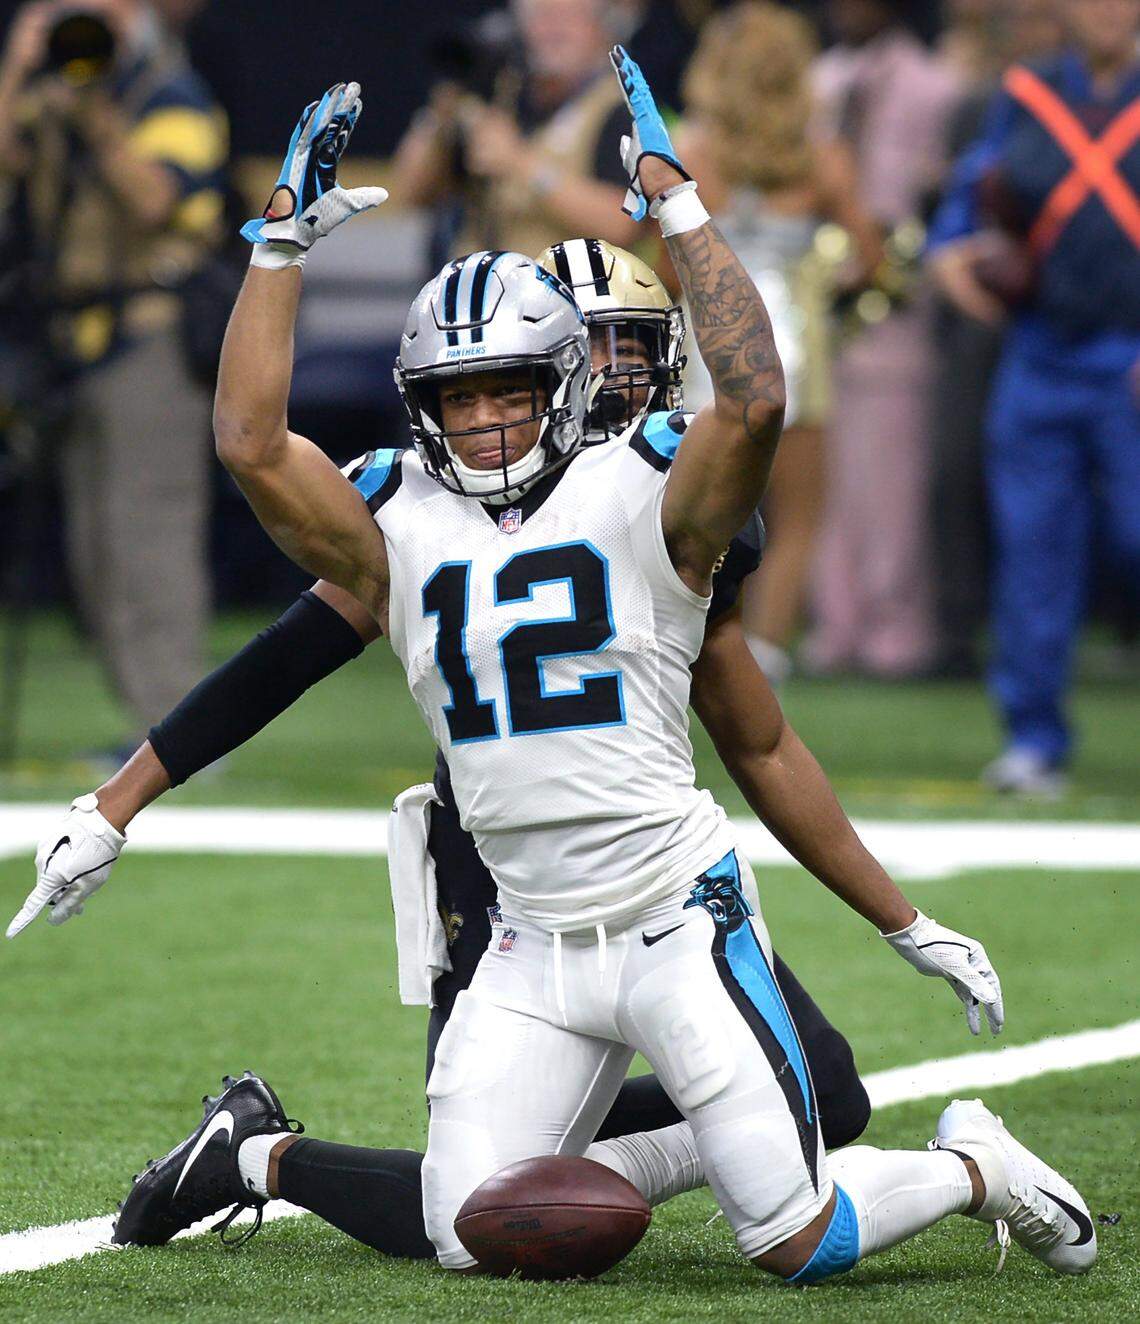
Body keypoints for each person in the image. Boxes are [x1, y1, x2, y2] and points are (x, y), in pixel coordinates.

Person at [13, 57, 1095, 1284]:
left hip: (672, 917)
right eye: (456, 398)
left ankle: (974, 1165)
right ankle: (339, 1155)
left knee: (797, 1240)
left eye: (510, 393)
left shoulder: (651, 494)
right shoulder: (398, 522)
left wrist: (678, 205)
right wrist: (278, 251)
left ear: (566, 383)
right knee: (464, 1229)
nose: (482, 423)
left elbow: (755, 405)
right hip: (526, 941)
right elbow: (250, 444)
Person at [11, 238, 875, 1258]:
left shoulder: (666, 493)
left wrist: (901, 920)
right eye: (591, 347)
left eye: (631, 347)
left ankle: (611, 1167)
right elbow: (283, 656)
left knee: (828, 1094)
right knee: (472, 1213)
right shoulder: (434, 512)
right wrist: (117, 801)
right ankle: (257, 1154)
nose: (615, 376)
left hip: (644, 866)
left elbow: (757, 738)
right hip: (500, 855)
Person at [928, 0, 1140, 795]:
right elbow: (965, 205)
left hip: (1131, 357)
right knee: (1034, 550)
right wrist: (952, 256)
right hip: (1041, 355)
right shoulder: (1028, 93)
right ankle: (1033, 739)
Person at [0, 0, 227, 743]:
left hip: (150, 336)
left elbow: (158, 199)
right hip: (74, 341)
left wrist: (99, 125)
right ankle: (148, 728)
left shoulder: (171, 94)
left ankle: (181, 732)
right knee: (94, 548)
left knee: (149, 538)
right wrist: (16, 68)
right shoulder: (50, 94)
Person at [673, 1, 882, 681]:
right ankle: (761, 657)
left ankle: (685, 645)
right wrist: (820, 284)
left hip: (705, 356)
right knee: (797, 521)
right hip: (795, 355)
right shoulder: (823, 160)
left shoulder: (688, 155)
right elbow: (870, 259)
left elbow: (660, 258)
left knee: (697, 514)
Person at [807, 0, 961, 677]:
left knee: (894, 483)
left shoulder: (937, 89)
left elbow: (947, 198)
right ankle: (834, 627)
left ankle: (898, 632)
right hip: (816, 308)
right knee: (825, 480)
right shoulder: (819, 81)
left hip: (900, 311)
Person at [394, 0, 641, 260]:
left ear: (603, 30)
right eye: (543, 16)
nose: (555, 30)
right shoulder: (499, 96)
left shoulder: (620, 108)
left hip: (564, 281)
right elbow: (411, 194)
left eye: (571, 17)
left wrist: (521, 163)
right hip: (479, 278)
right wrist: (440, 112)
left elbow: (623, 224)